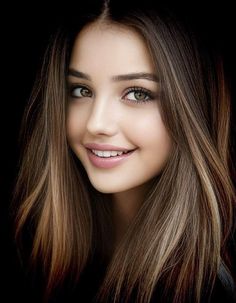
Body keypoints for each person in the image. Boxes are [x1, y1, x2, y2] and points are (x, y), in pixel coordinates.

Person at [13, 0, 236, 302]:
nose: (97, 123)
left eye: (137, 93)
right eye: (82, 91)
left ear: (192, 108)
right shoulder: (36, 252)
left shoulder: (200, 290)